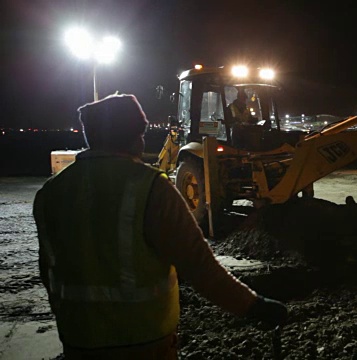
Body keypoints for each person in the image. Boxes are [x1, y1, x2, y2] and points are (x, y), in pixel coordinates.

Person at [33, 94, 287, 359]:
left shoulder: (51, 192)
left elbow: (47, 270)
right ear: (134, 137)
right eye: (140, 133)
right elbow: (200, 267)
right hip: (143, 342)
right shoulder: (151, 188)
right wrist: (254, 306)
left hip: (78, 341)